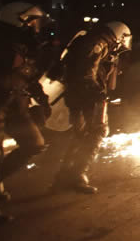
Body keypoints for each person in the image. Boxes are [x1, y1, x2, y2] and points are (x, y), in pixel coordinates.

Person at [0, 2, 51, 226]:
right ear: (19, 20)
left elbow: (28, 76)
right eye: (33, 21)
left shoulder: (24, 45)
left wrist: (41, 99)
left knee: (34, 143)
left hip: (16, 106)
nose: (37, 27)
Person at [53, 21, 132, 194]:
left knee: (81, 135)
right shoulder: (99, 44)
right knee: (97, 131)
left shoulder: (97, 42)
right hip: (87, 97)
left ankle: (63, 177)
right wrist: (98, 93)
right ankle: (77, 175)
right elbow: (86, 72)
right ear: (119, 35)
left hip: (79, 95)